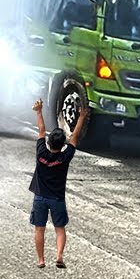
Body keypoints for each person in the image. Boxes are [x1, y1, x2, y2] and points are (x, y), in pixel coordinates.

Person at [29, 96, 87, 269]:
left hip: (40, 197)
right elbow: (75, 137)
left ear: (47, 142)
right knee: (59, 228)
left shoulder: (40, 153)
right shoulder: (64, 157)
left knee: (39, 229)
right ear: (63, 145)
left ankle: (41, 260)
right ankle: (59, 256)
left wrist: (39, 111)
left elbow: (41, 129)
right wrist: (82, 117)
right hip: (57, 199)